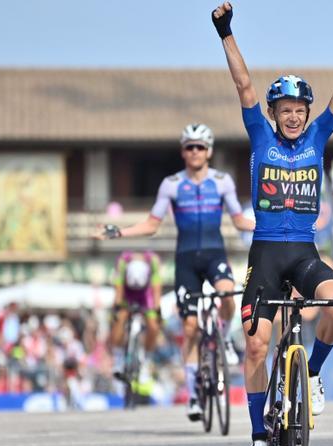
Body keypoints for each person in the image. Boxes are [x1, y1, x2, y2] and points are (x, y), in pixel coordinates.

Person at [211, 1, 333, 446]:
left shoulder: (318, 137)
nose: (292, 116)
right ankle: (259, 439)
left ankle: (312, 373)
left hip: (304, 252)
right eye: (284, 110)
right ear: (273, 113)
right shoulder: (259, 136)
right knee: (255, 345)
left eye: (299, 109)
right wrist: (226, 32)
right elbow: (243, 84)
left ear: (307, 113)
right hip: (265, 254)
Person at [95, 123, 254, 421]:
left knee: (227, 292)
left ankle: (226, 338)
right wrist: (119, 232)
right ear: (183, 151)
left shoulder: (222, 182)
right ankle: (194, 395)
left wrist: (276, 227)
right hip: (185, 260)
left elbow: (240, 221)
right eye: (190, 146)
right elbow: (152, 225)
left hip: (214, 253)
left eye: (201, 147)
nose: (195, 151)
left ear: (209, 151)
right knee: (191, 327)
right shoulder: (171, 184)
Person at [110, 250, 162, 379]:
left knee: (154, 327)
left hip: (146, 294)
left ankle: (146, 358)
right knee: (119, 319)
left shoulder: (153, 261)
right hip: (127, 293)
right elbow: (118, 287)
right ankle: (118, 358)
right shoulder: (122, 262)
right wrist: (117, 308)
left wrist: (157, 309)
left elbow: (156, 287)